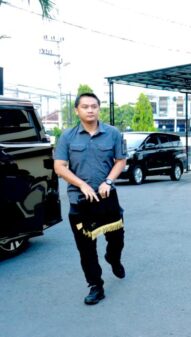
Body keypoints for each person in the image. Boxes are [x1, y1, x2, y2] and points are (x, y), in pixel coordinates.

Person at [53, 92, 127, 305]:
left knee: (117, 238)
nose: (90, 110)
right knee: (86, 248)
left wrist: (109, 181)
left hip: (107, 197)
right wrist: (82, 184)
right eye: (85, 106)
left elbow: (120, 161)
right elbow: (59, 167)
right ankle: (96, 285)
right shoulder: (67, 136)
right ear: (77, 110)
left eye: (94, 106)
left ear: (98, 109)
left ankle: (113, 258)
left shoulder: (112, 133)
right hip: (80, 201)